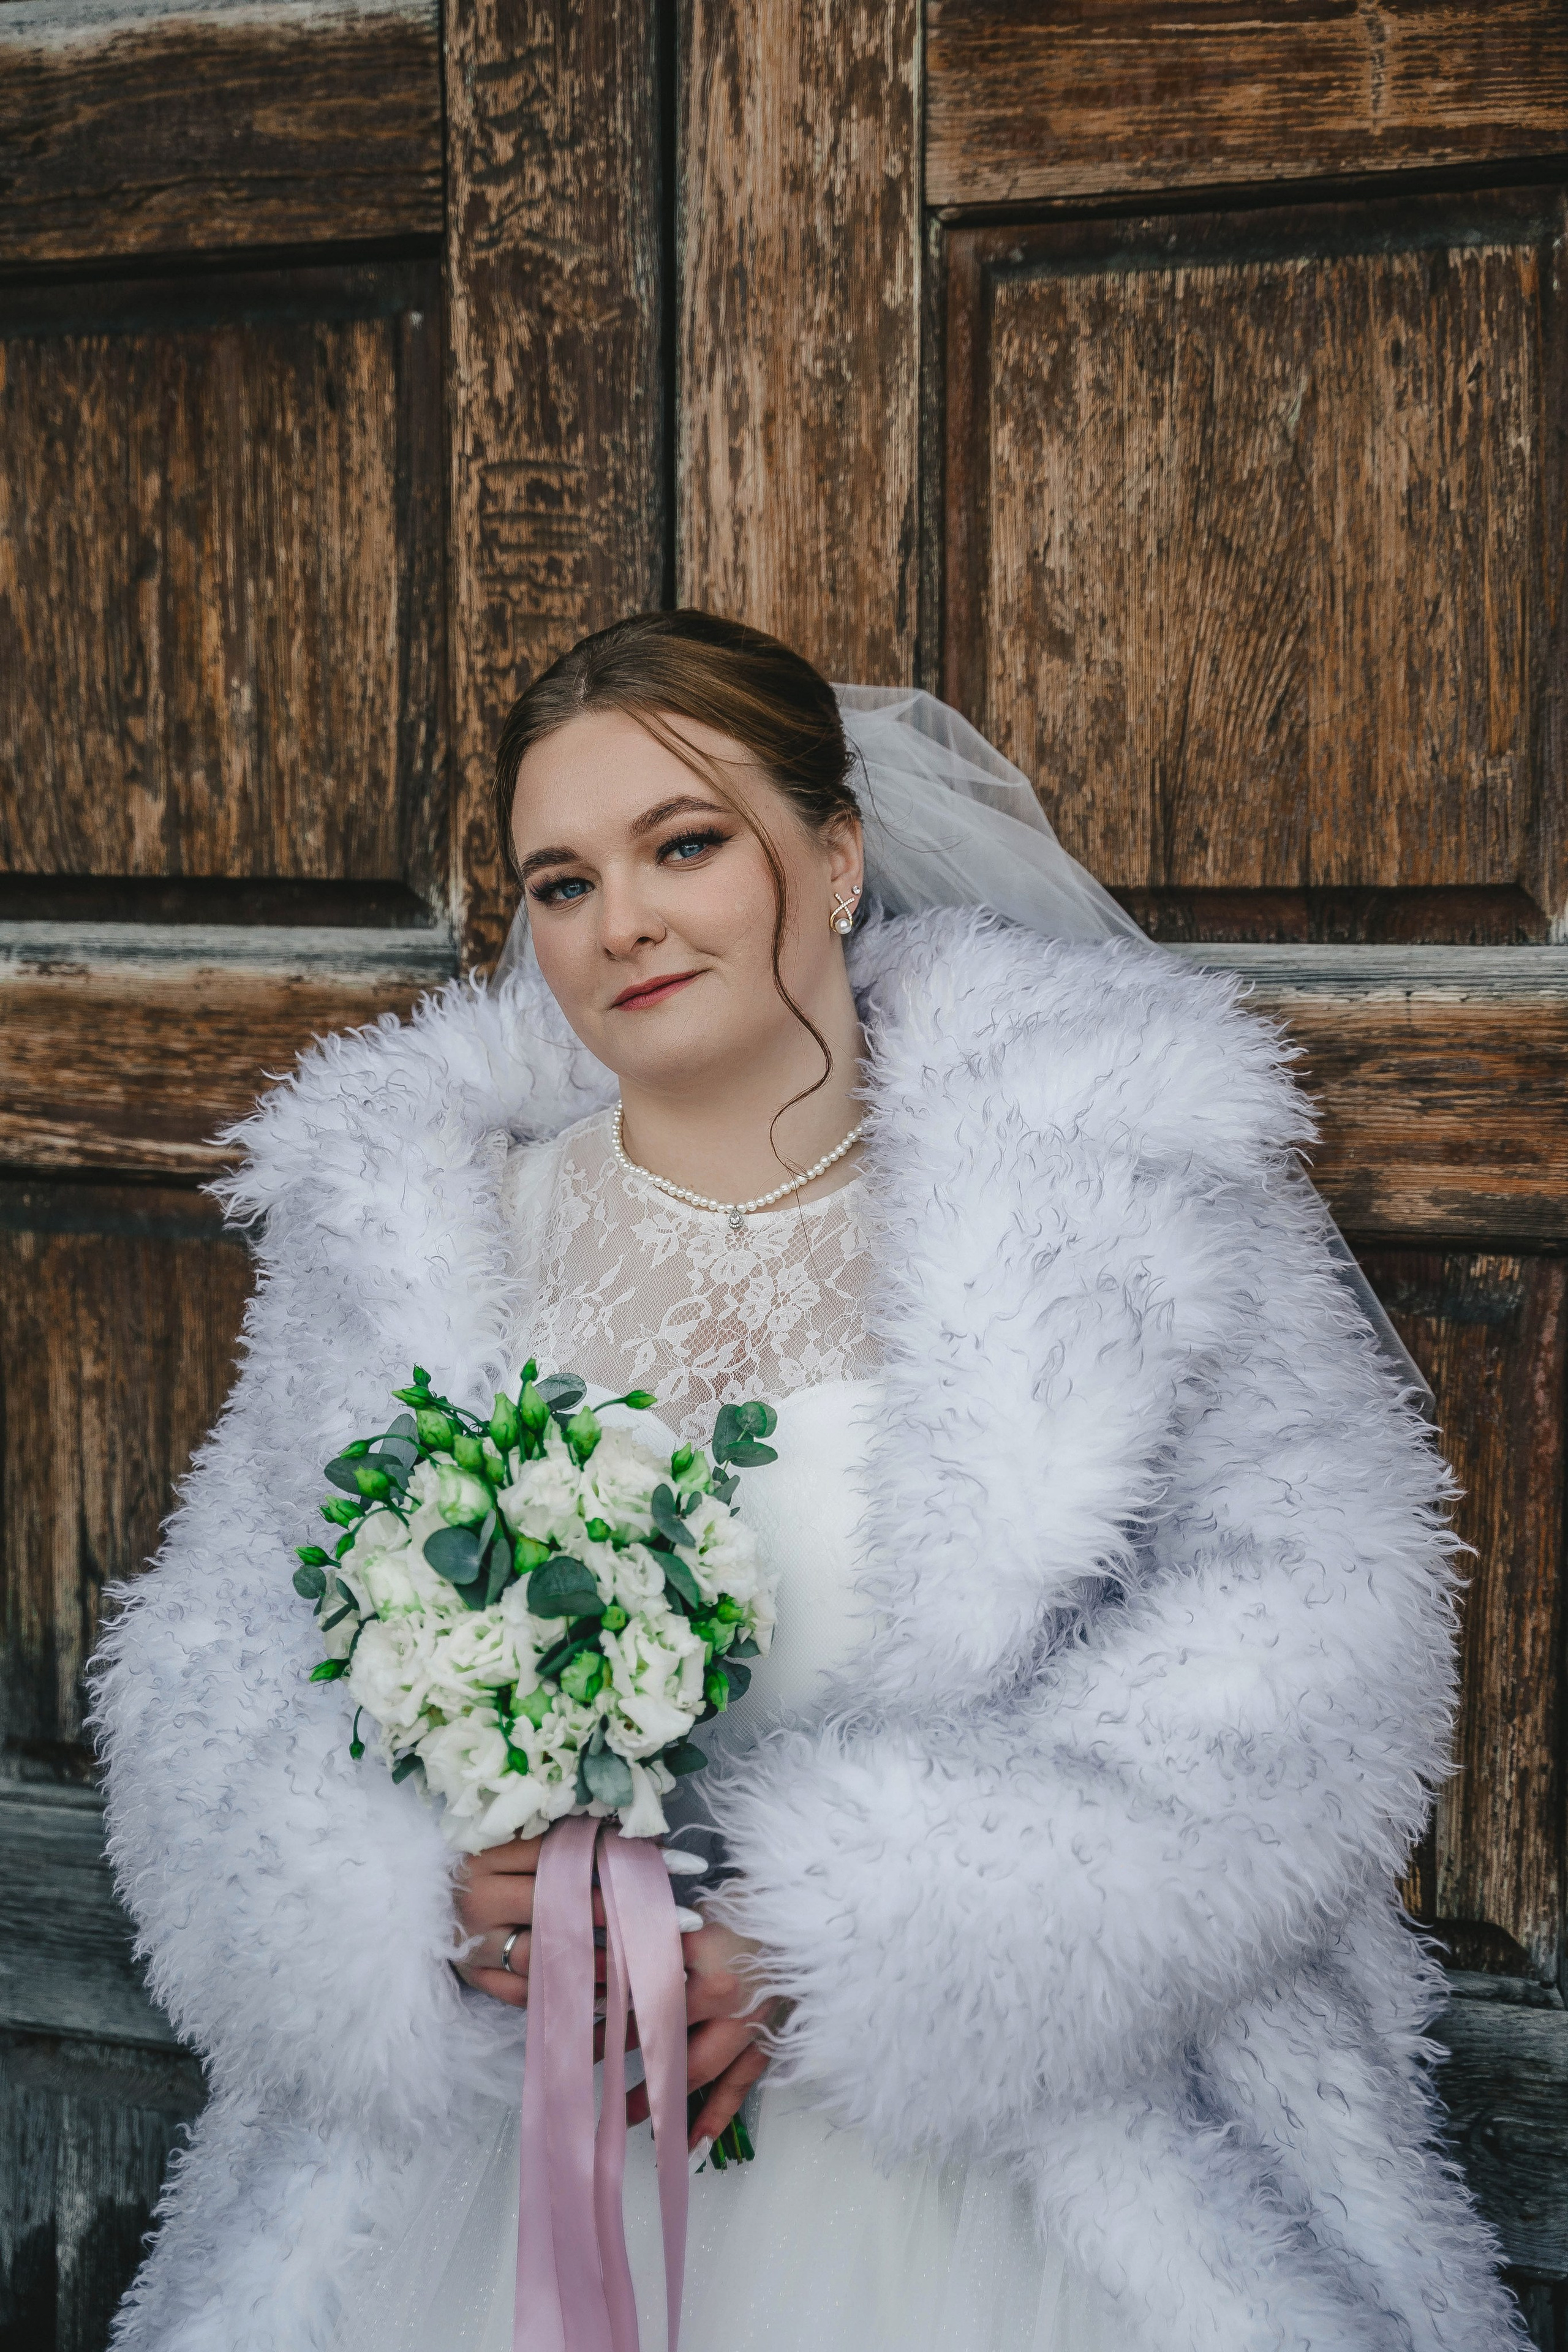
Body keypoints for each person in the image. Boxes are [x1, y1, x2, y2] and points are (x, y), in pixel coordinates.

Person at [94, 609, 1525, 2352]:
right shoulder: (418, 1242)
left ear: (835, 857)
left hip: (1022, 2155)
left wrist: (859, 1934)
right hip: (507, 2140)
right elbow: (214, 1661)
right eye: (559, 881)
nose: (619, 920)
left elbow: (1317, 1643)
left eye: (682, 844)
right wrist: (401, 1889)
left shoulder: (1107, 1202)